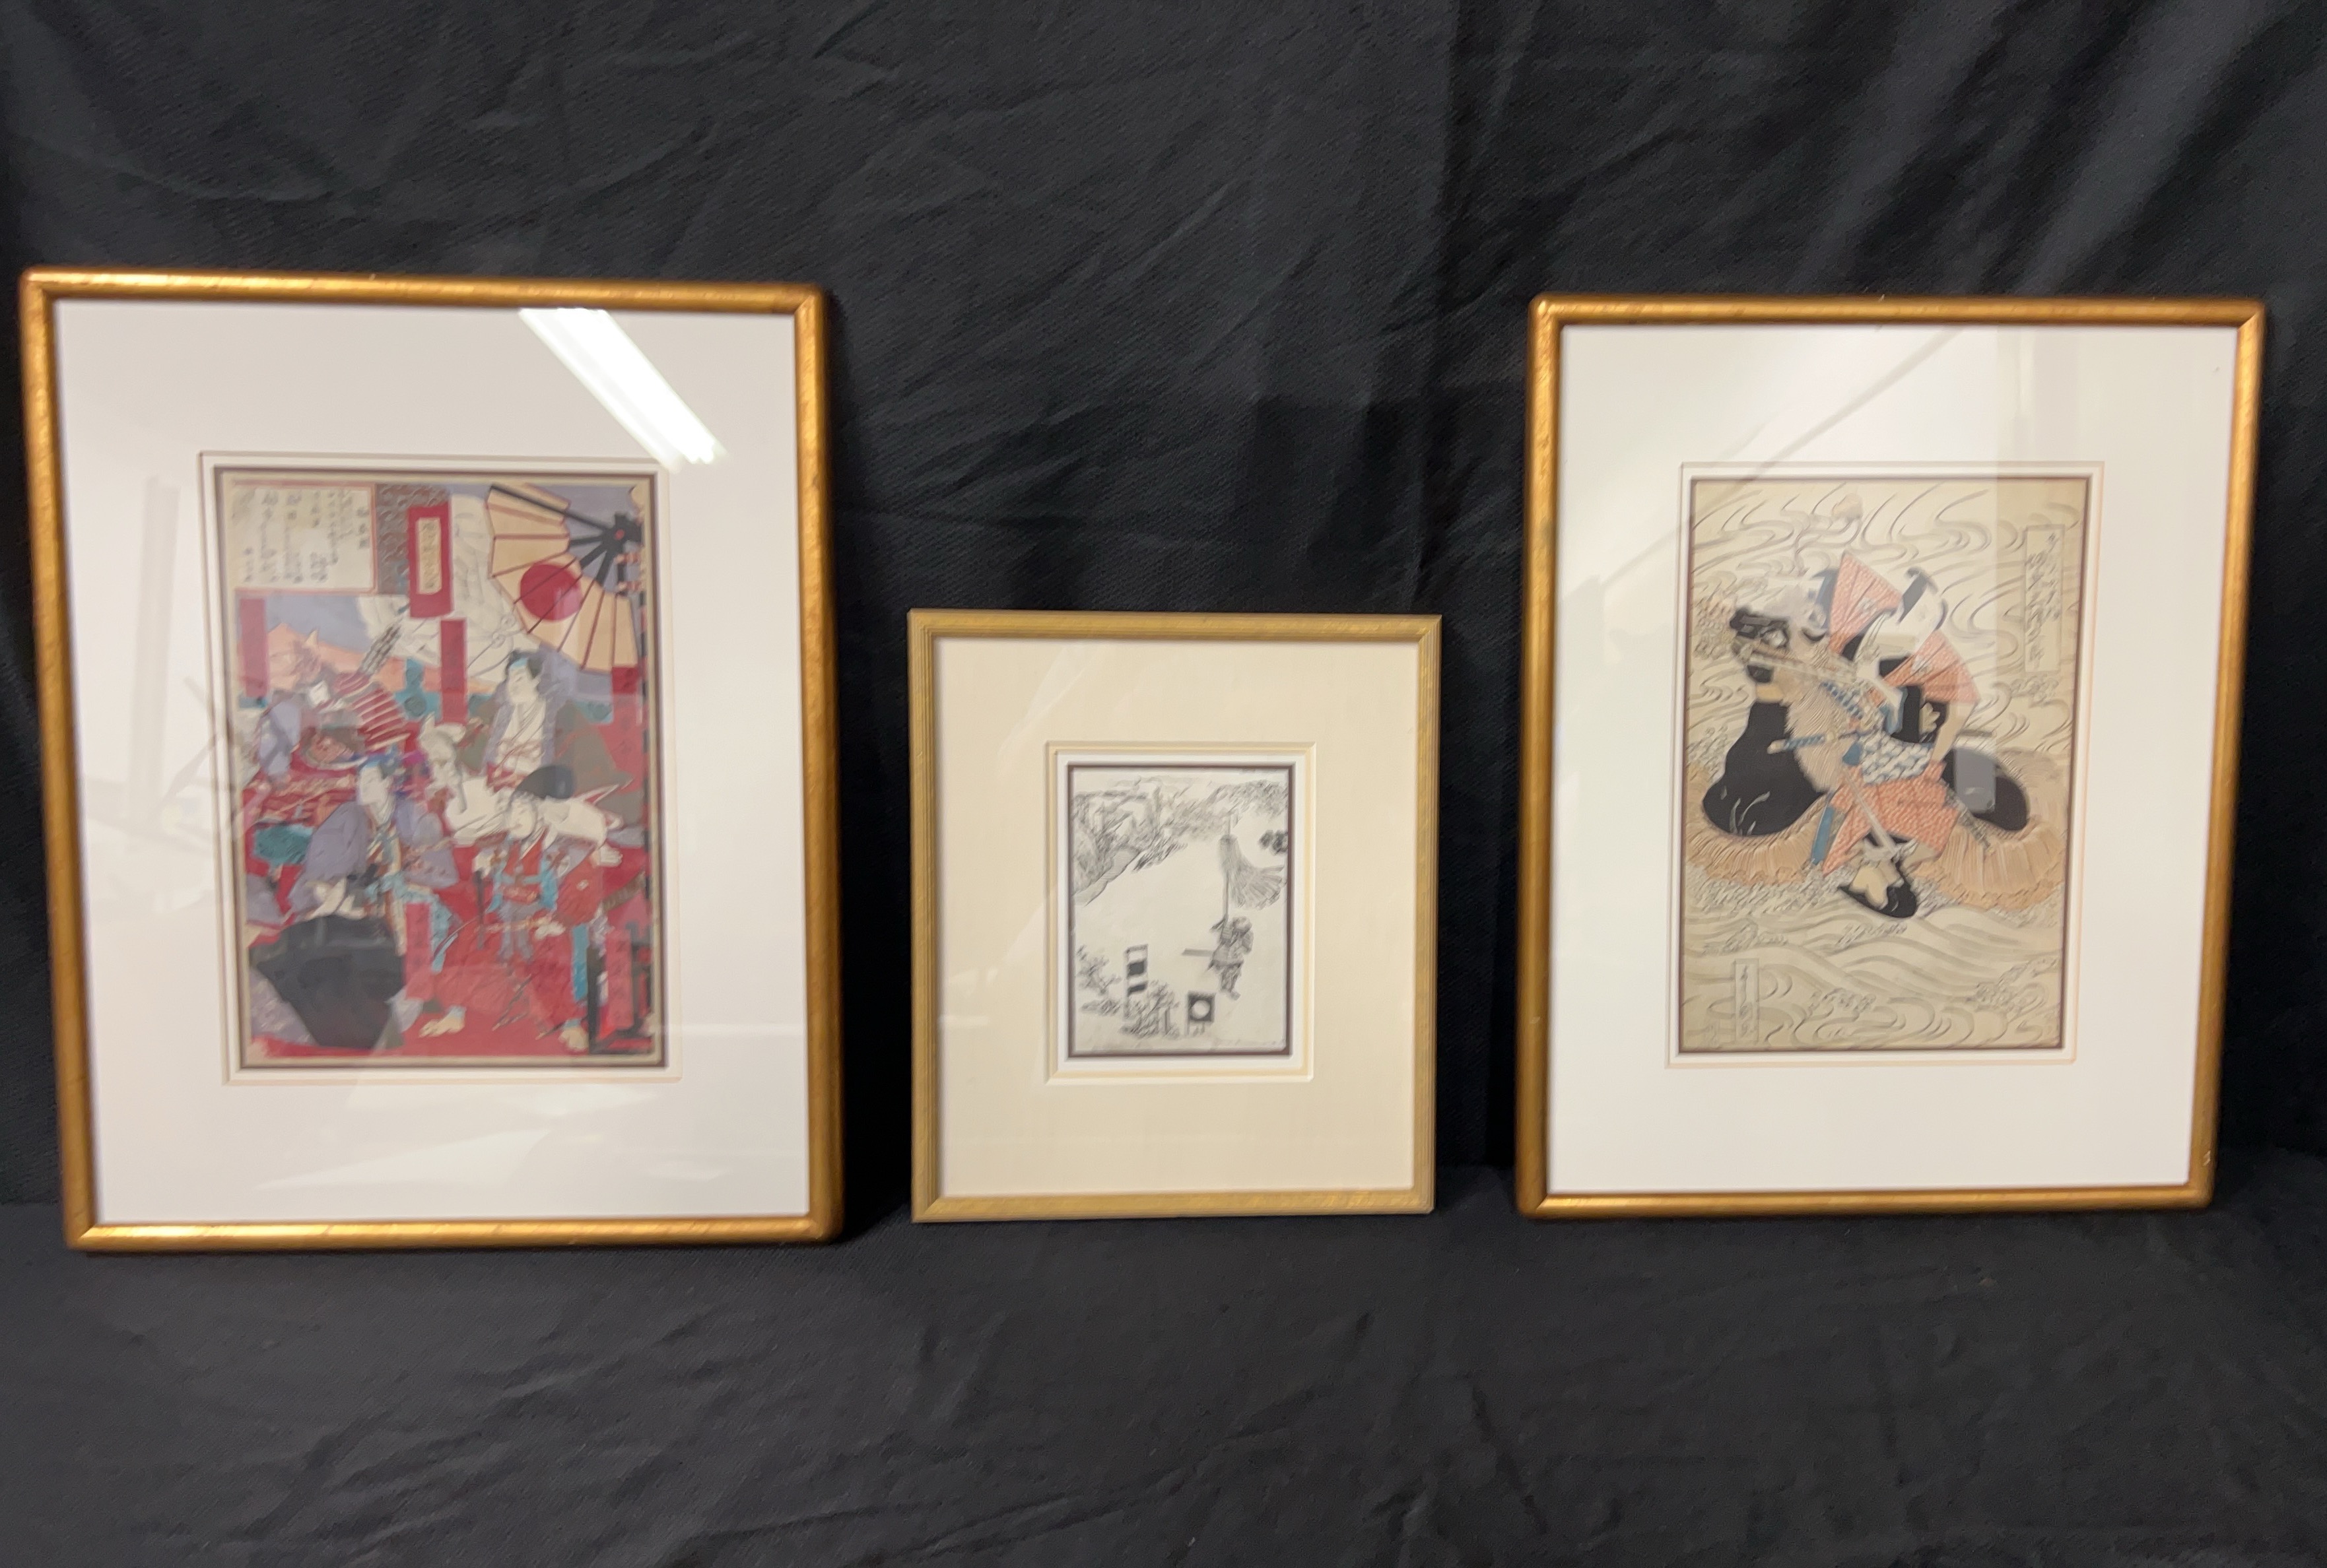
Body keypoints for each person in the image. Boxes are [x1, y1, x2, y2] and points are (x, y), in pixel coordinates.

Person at [475, 765, 621, 1053]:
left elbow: (582, 897)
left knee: (553, 948)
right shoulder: (503, 847)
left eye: (521, 811)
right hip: (508, 923)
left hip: (553, 924)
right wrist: (484, 873)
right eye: (510, 812)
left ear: (540, 814)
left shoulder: (569, 849)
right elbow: (492, 892)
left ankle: (570, 1022)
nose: (513, 820)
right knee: (470, 941)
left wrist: (558, 920)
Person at [460, 649, 638, 822]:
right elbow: (474, 745)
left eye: (520, 677)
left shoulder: (560, 712)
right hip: (496, 790)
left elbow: (583, 751)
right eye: (511, 678)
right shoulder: (498, 710)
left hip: (537, 796)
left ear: (536, 679)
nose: (513, 684)